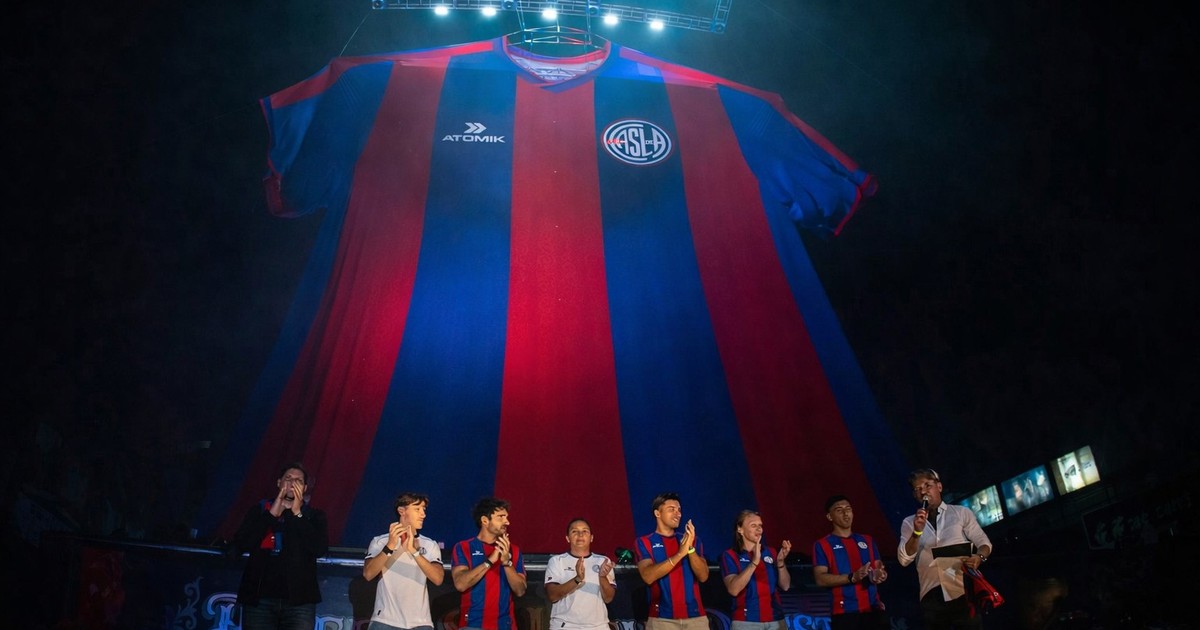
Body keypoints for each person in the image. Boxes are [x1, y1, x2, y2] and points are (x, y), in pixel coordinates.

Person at [232, 462, 329, 630]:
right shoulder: (260, 510)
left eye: (298, 481)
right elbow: (242, 543)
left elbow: (319, 548)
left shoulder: (314, 516)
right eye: (288, 479)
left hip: (299, 602)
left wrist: (297, 514)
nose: (292, 484)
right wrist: (271, 516)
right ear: (279, 483)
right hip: (259, 599)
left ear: (305, 488)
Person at [898, 468, 993, 629]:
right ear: (914, 495)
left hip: (962, 588)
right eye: (918, 489)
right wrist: (917, 532)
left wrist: (979, 557)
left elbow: (984, 543)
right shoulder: (909, 522)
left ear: (939, 486)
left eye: (927, 485)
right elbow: (903, 559)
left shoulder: (961, 513)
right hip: (932, 595)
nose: (923, 492)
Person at [363, 492, 445, 630]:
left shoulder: (430, 544)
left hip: (420, 623)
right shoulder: (380, 541)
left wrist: (414, 551)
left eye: (424, 509)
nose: (423, 514)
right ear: (402, 511)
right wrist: (390, 546)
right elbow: (368, 574)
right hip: (385, 621)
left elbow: (438, 579)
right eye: (417, 509)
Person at [634, 492, 710, 630]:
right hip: (662, 620)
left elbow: (703, 576)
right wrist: (680, 554)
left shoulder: (692, 540)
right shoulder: (644, 542)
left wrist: (690, 549)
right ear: (657, 513)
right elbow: (648, 576)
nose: (678, 514)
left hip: (696, 618)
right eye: (671, 509)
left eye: (679, 510)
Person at [812, 495, 888, 629]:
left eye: (848, 509)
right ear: (829, 516)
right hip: (844, 613)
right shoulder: (822, 545)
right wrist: (852, 577)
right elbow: (820, 579)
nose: (845, 513)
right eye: (839, 510)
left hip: (873, 610)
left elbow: (879, 569)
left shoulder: (868, 540)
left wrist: (880, 575)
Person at [451, 497, 527, 630]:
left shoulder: (513, 550)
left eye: (507, 517)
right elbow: (461, 584)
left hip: (505, 626)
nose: (507, 522)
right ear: (485, 520)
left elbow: (520, 590)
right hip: (472, 625)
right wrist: (490, 561)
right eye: (501, 517)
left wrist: (506, 563)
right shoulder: (463, 547)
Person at [720, 510, 792, 630]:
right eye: (753, 525)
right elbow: (733, 590)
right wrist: (754, 562)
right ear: (740, 529)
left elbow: (785, 586)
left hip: (776, 620)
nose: (759, 529)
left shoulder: (771, 552)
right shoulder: (730, 555)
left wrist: (780, 563)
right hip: (746, 621)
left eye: (760, 525)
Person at [544, 518, 617, 630]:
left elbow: (608, 598)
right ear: (567, 538)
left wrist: (602, 577)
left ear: (591, 538)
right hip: (565, 626)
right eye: (574, 531)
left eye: (585, 531)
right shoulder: (557, 561)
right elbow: (552, 595)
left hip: (598, 626)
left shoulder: (603, 561)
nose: (580, 535)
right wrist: (577, 579)